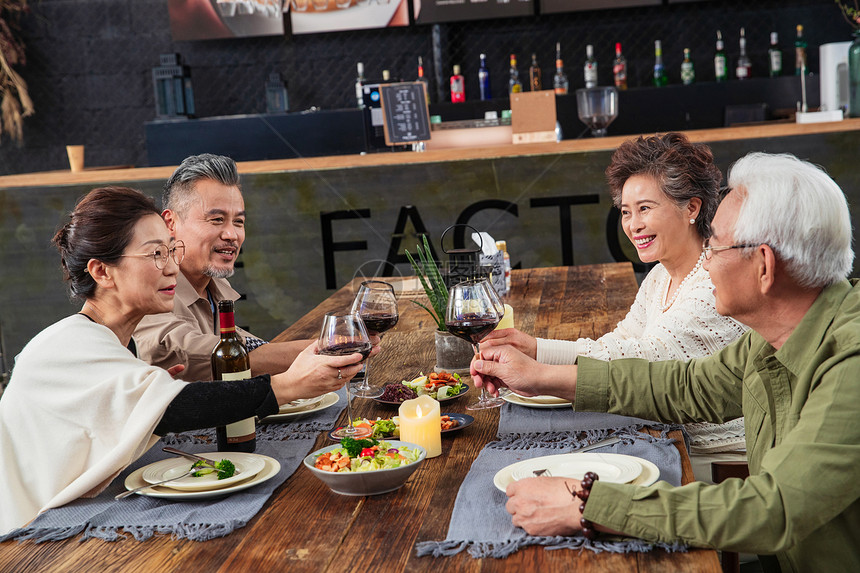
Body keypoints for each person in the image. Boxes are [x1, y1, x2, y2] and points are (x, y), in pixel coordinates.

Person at [471, 153, 860, 572]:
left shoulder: (850, 365)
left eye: (714, 246)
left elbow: (773, 508)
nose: (704, 261)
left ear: (764, 266)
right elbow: (686, 386)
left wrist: (588, 504)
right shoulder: (771, 338)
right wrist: (543, 378)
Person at [0, 187, 362, 535]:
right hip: (29, 537)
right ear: (102, 272)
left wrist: (155, 394)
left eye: (172, 251)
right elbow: (177, 408)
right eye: (156, 254)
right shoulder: (67, 343)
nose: (172, 267)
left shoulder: (115, 344)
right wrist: (290, 385)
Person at [481, 133, 747, 480]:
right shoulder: (659, 278)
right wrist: (534, 347)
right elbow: (618, 345)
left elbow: (643, 360)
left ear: (691, 208)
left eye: (645, 209)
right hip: (664, 435)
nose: (633, 225)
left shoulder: (711, 284)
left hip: (713, 462)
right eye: (626, 212)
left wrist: (538, 373)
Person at [134, 154, 319, 382]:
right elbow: (192, 354)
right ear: (170, 223)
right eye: (217, 220)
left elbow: (238, 340)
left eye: (239, 222)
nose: (231, 235)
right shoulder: (148, 285)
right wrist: (325, 349)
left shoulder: (214, 284)